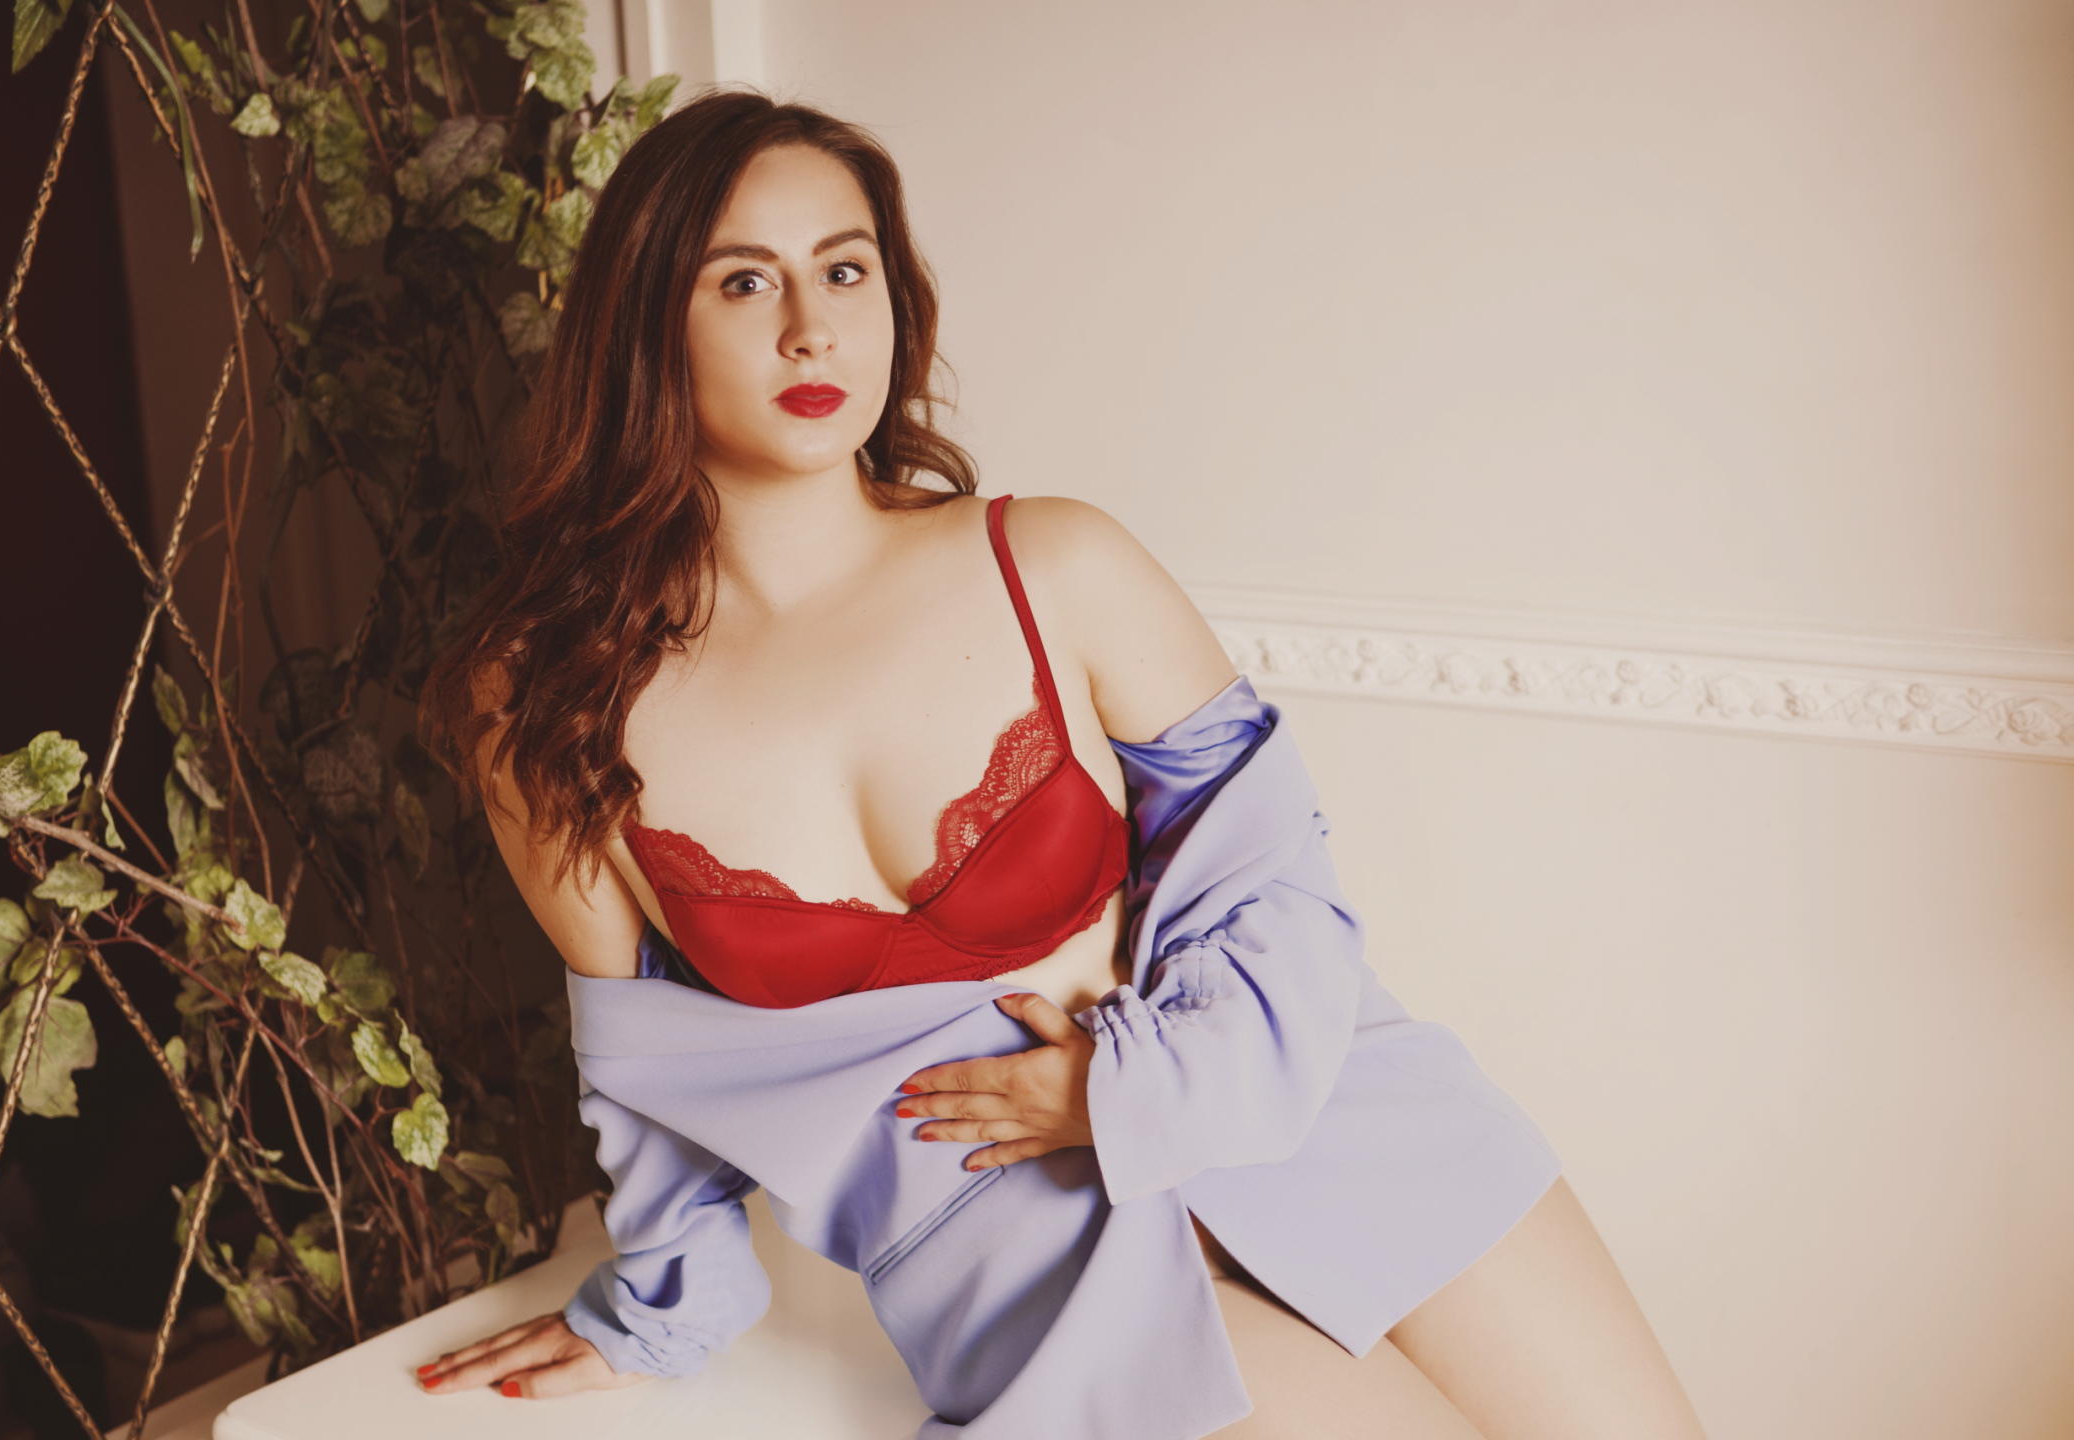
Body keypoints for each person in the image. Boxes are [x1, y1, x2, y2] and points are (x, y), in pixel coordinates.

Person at [412, 87, 1707, 1438]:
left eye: (845, 271)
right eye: (745, 282)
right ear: (643, 325)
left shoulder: (1055, 563)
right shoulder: (548, 701)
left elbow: (1273, 884)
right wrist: (660, 1307)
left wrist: (1124, 1089)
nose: (812, 328)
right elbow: (643, 1061)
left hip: (1325, 1115)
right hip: (1026, 1261)